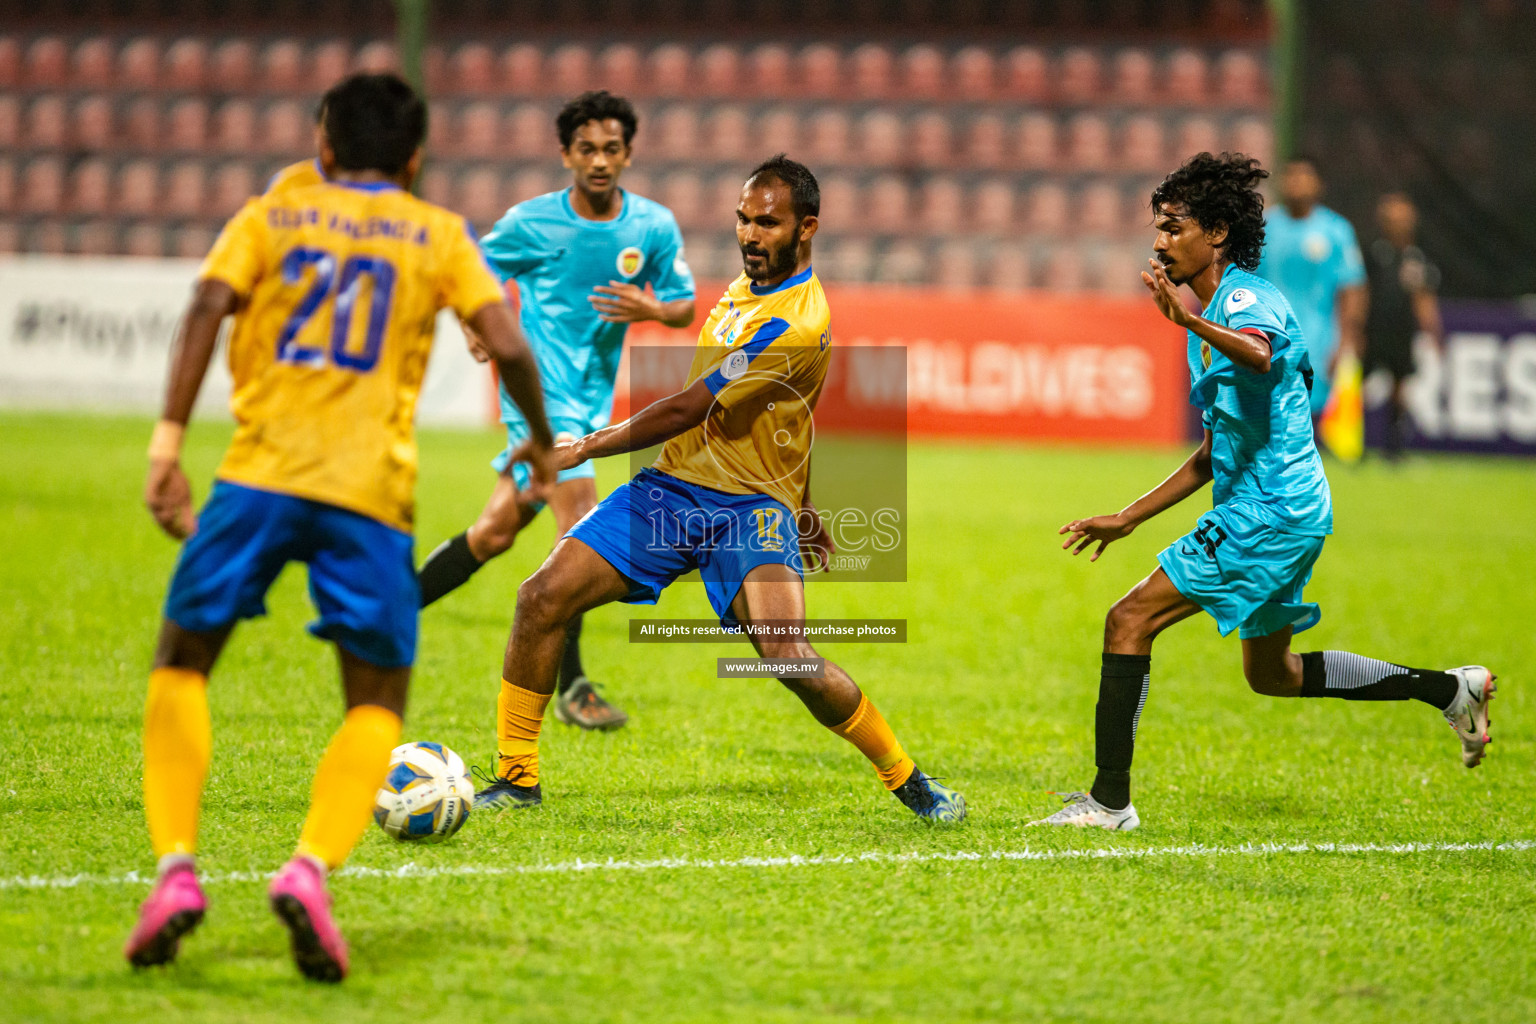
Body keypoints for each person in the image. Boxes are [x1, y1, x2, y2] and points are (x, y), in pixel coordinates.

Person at [123, 73, 554, 981]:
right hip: (369, 498)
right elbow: (508, 343)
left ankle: (174, 873)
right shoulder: (435, 232)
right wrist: (544, 448)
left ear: (321, 146)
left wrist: (168, 445)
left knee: (181, 663)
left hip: (257, 479)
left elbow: (205, 306)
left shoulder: (271, 214)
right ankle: (311, 869)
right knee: (372, 703)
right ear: (413, 158)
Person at [469, 154, 965, 822]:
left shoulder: (795, 323)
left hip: (747, 510)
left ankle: (909, 779)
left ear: (807, 227)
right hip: (673, 489)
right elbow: (791, 413)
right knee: (540, 597)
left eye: (767, 222)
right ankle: (516, 778)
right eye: (742, 218)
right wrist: (809, 503)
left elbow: (687, 407)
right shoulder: (747, 286)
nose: (749, 234)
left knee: (785, 655)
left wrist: (584, 445)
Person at [1031, 152, 1493, 832]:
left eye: (1173, 226)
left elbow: (1261, 353)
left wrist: (1185, 322)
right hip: (1287, 510)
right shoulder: (1215, 310)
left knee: (1128, 621)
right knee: (1271, 675)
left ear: (1216, 233)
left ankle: (1108, 803)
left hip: (1269, 512)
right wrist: (1128, 518)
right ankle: (1451, 689)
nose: (1159, 241)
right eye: (1157, 227)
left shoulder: (1241, 299)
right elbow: (1214, 454)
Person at [415, 90, 697, 732]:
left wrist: (650, 308)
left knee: (495, 532)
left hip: (592, 398)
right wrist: (472, 324)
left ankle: (388, 615)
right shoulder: (532, 222)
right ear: (566, 154)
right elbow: (470, 272)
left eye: (612, 149)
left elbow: (683, 305)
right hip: (537, 396)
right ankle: (574, 688)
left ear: (628, 154)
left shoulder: (651, 226)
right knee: (583, 527)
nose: (599, 161)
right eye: (587, 149)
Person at [1254, 155, 1368, 420]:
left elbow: (1352, 288)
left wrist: (1347, 340)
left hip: (1320, 339)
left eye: (1303, 176)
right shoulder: (1262, 228)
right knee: (1268, 412)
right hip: (1268, 336)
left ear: (1318, 184)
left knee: (1310, 413)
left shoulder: (1336, 230)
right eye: (1291, 176)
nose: (1296, 183)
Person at [1364, 192, 1444, 458]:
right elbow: (1359, 291)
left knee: (1400, 386)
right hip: (1373, 329)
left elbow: (1424, 297)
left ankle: (1394, 443)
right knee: (1359, 384)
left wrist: (1434, 331)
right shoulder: (1373, 252)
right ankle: (1355, 442)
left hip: (1401, 331)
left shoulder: (1417, 257)